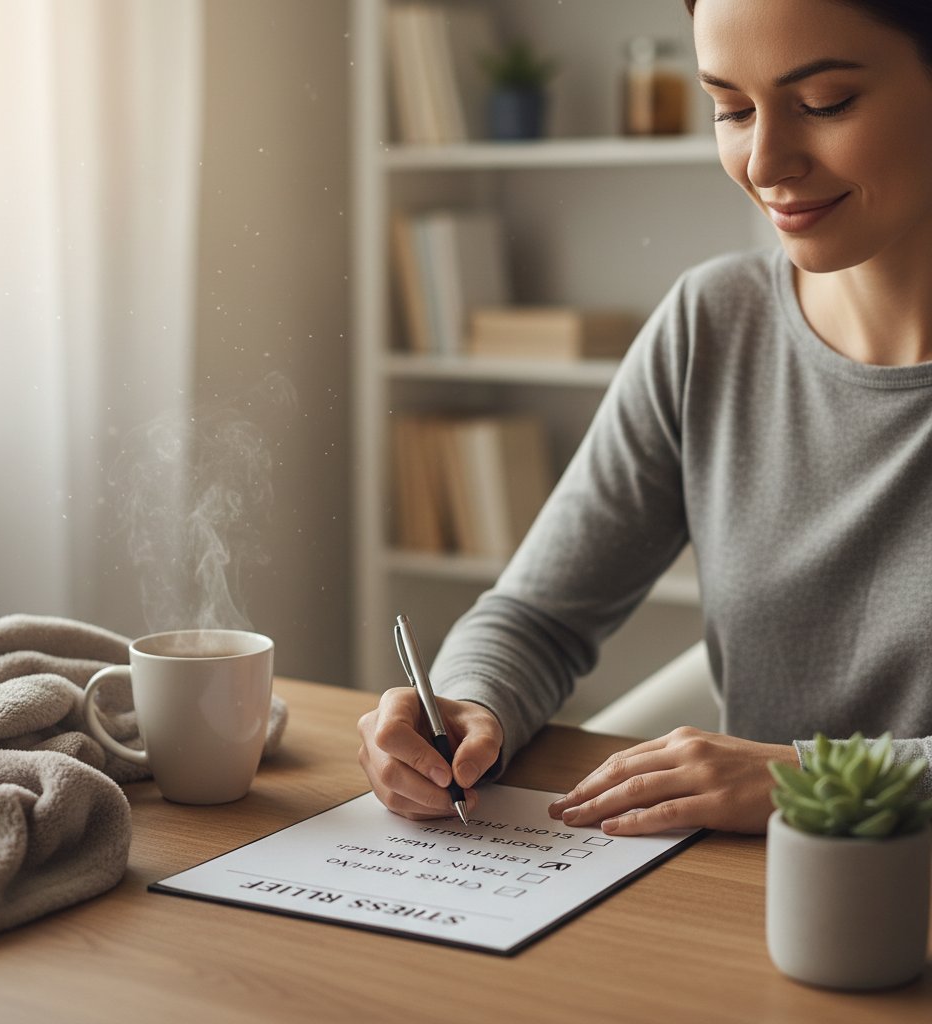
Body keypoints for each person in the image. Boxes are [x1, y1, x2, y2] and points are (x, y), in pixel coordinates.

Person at [358, 0, 932, 836]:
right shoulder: (713, 324)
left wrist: (808, 779)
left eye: (824, 104)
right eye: (731, 110)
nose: (764, 161)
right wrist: (466, 709)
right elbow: (539, 617)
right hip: (742, 904)